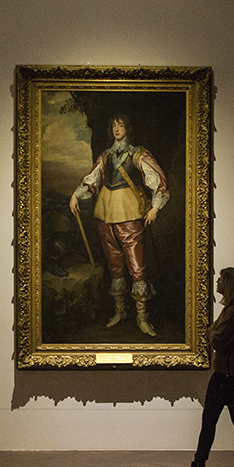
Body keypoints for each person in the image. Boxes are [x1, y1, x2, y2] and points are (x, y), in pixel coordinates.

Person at [70, 114, 169, 336]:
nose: (116, 129)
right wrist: (76, 194)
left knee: (136, 265)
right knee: (114, 264)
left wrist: (155, 207)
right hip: (106, 213)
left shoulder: (138, 154)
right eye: (113, 125)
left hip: (129, 212)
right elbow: (93, 179)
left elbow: (157, 181)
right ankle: (120, 311)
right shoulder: (106, 156)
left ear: (128, 128)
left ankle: (142, 318)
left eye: (121, 125)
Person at [172, 268, 234, 467]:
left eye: (221, 279)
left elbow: (216, 339)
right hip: (228, 375)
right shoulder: (233, 310)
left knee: (229, 424)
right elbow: (214, 333)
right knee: (222, 423)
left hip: (231, 377)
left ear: (230, 285)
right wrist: (213, 331)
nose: (217, 282)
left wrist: (211, 332)